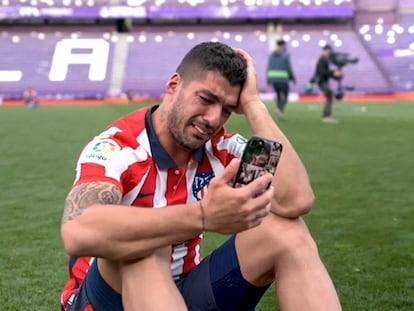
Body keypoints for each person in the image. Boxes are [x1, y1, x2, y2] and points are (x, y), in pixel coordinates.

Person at [60, 42, 342, 311]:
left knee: (287, 231)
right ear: (174, 86)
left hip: (179, 292)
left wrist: (254, 104)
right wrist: (203, 216)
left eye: (227, 110)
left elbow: (295, 200)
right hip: (103, 300)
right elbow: (78, 231)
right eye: (206, 99)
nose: (212, 118)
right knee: (150, 246)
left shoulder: (219, 146)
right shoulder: (120, 147)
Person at [266, 39, 296, 120]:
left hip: (274, 80)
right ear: (283, 45)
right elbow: (288, 67)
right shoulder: (286, 55)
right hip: (283, 79)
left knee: (279, 95)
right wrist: (293, 77)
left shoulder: (271, 55)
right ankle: (281, 110)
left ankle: (279, 108)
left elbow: (268, 67)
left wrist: (268, 79)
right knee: (285, 96)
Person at [314, 44, 343, 123]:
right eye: (329, 51)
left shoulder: (325, 60)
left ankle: (327, 115)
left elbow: (326, 73)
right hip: (322, 81)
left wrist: (335, 76)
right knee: (329, 95)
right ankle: (326, 116)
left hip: (323, 81)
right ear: (326, 50)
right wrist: (333, 73)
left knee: (329, 96)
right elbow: (322, 72)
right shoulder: (322, 60)